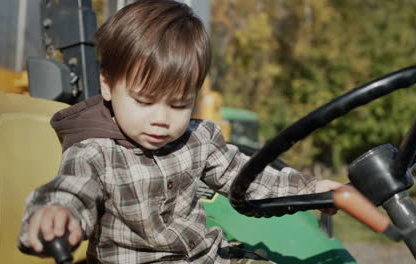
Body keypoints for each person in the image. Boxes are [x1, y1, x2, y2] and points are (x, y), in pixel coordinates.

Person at [18, 0, 342, 263]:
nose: (161, 119)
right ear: (107, 84)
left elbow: (249, 177)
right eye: (144, 101)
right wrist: (56, 212)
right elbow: (72, 190)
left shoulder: (198, 139)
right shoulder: (94, 152)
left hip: (205, 256)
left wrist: (310, 190)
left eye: (178, 105)